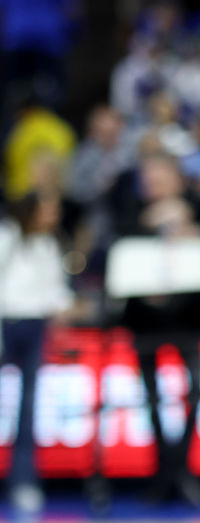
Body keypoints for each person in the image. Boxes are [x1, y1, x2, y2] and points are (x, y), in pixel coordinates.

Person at [0, 191, 74, 516]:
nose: (53, 217)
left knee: (28, 407)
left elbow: (55, 292)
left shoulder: (48, 246)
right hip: (5, 323)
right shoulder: (5, 237)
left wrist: (68, 306)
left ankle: (23, 482)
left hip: (34, 327)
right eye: (48, 209)